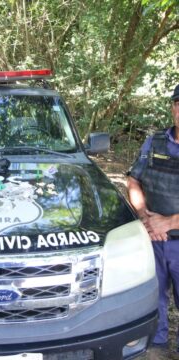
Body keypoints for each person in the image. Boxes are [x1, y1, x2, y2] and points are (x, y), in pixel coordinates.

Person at [127, 83, 179, 350]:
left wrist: (168, 222)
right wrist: (144, 216)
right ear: (172, 108)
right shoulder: (155, 141)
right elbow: (134, 181)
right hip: (152, 238)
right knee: (153, 297)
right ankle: (156, 346)